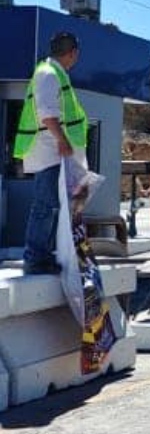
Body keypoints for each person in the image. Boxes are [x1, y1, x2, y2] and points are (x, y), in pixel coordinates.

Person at [12, 32, 86, 275]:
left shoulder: (53, 73)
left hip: (54, 151)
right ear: (73, 52)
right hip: (48, 150)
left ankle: (43, 255)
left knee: (52, 205)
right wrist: (62, 140)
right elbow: (47, 113)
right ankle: (35, 258)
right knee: (44, 205)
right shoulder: (48, 73)